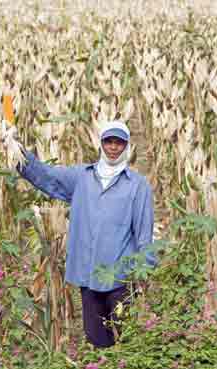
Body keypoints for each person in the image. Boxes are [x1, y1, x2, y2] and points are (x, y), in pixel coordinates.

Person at [16, 120, 156, 348]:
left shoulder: (137, 186)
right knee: (96, 339)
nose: (113, 147)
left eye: (119, 142)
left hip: (120, 275)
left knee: (127, 338)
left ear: (127, 146)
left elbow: (144, 233)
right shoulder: (81, 177)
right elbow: (47, 176)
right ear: (100, 144)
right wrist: (16, 150)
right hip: (89, 272)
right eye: (108, 141)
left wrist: (145, 272)